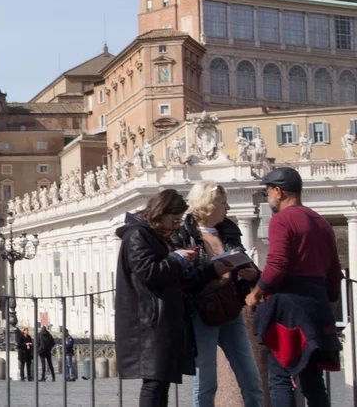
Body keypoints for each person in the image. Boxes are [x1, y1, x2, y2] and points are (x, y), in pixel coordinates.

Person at [116, 189, 228, 407]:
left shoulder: (156, 236)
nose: (176, 226)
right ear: (161, 213)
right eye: (174, 220)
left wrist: (210, 271)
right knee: (154, 383)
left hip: (161, 320)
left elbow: (176, 280)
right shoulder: (138, 235)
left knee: (162, 382)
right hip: (149, 322)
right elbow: (148, 272)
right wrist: (177, 259)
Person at [245, 168, 343, 407]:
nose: (266, 197)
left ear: (278, 192)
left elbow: (277, 264)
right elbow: (334, 271)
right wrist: (330, 303)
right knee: (312, 380)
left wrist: (256, 293)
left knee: (280, 377)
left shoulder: (282, 220)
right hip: (317, 304)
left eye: (266, 192)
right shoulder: (321, 222)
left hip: (289, 307)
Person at [169, 181, 263, 407]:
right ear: (209, 205)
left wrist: (253, 275)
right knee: (206, 382)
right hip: (202, 312)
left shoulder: (229, 229)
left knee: (252, 379)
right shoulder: (182, 234)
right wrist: (211, 270)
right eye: (223, 202)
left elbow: (242, 263)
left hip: (231, 310)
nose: (228, 207)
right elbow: (181, 280)